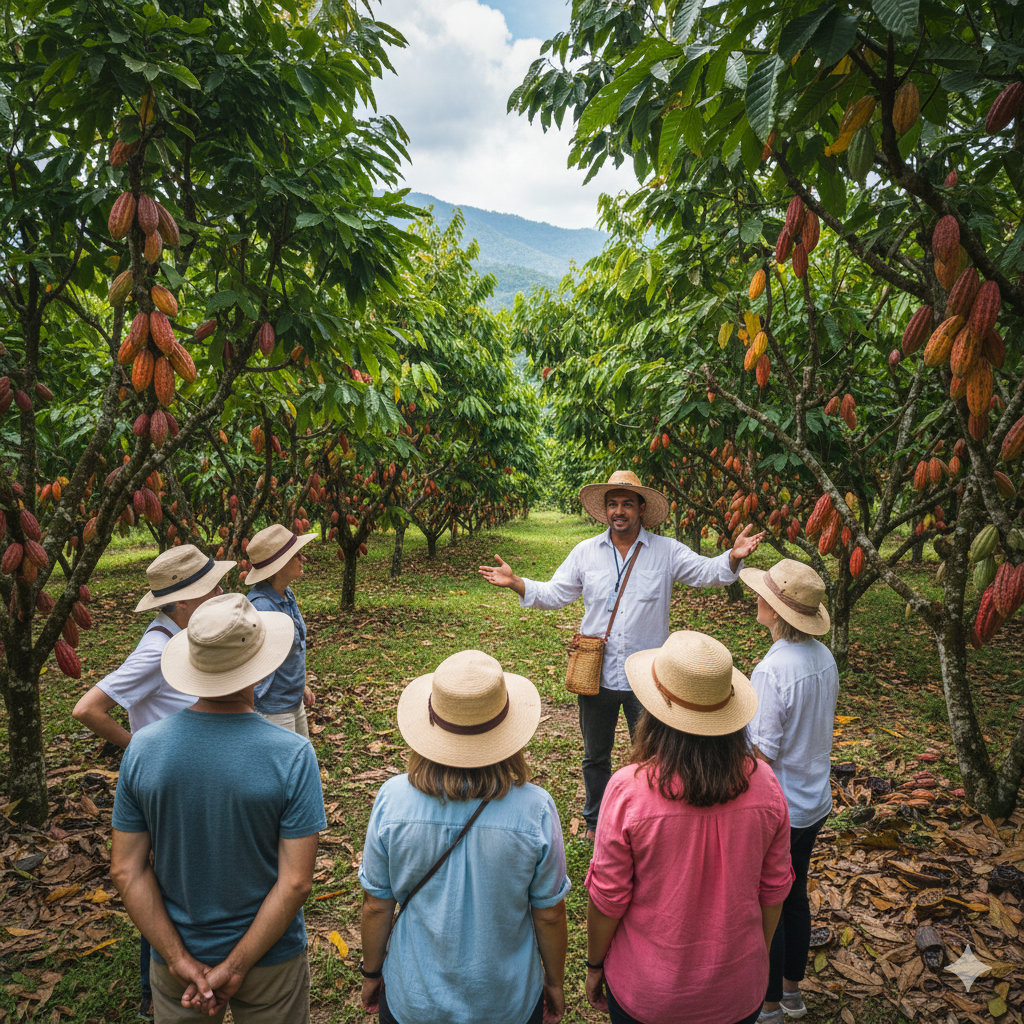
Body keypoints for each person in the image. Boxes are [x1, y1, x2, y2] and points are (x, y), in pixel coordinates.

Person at [479, 469, 764, 839]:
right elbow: (555, 593)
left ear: (641, 509)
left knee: (650, 755)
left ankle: (648, 818)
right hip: (595, 672)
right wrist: (518, 583)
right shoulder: (586, 553)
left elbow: (707, 572)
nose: (619, 511)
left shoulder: (666, 551)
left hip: (647, 677)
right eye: (613, 504)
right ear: (604, 511)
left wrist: (732, 556)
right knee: (595, 755)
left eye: (627, 504)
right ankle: (596, 820)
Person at [110, 593, 327, 1023]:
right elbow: (296, 882)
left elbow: (125, 870)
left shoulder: (143, 749)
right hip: (270, 959)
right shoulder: (292, 755)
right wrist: (238, 964)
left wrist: (177, 960)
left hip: (178, 958)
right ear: (260, 667)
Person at [584, 630, 794, 1024]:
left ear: (654, 711)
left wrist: (595, 964)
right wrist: (754, 960)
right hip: (737, 991)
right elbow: (774, 892)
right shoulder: (766, 785)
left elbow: (608, 899)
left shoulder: (629, 790)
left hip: (646, 991)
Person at [358, 649, 571, 1024]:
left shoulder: (392, 800)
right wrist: (553, 982)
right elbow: (549, 915)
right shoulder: (536, 809)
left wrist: (372, 973)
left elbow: (377, 904)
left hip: (413, 998)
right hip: (506, 1002)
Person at [72, 543, 235, 1020]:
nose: (222, 592)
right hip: (168, 781)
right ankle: (153, 990)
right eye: (212, 589)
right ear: (183, 603)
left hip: (188, 775)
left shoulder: (179, 635)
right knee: (155, 881)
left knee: (170, 876)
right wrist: (138, 748)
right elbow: (87, 709)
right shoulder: (157, 648)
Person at [739, 559, 839, 1023]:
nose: (756, 599)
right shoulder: (824, 657)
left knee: (770, 901)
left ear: (776, 610)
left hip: (782, 806)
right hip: (815, 799)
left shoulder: (773, 668)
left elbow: (762, 753)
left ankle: (770, 1004)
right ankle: (793, 992)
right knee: (794, 893)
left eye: (763, 595)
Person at [244, 524, 318, 738]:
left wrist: (301, 686)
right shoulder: (261, 607)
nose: (302, 558)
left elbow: (290, 650)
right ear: (279, 565)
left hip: (292, 700)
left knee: (301, 761)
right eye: (297, 555)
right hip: (273, 707)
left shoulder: (286, 594)